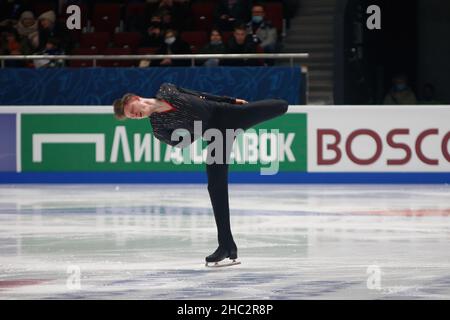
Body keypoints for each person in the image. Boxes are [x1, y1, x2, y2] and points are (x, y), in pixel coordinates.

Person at [112, 83, 289, 266]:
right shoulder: (158, 128)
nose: (135, 115)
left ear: (136, 99)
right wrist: (198, 130)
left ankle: (227, 245)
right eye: (132, 117)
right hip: (215, 137)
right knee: (215, 186)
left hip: (227, 114)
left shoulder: (166, 90)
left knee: (281, 105)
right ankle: (226, 246)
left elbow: (200, 95)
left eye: (133, 110)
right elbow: (182, 143)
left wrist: (230, 100)